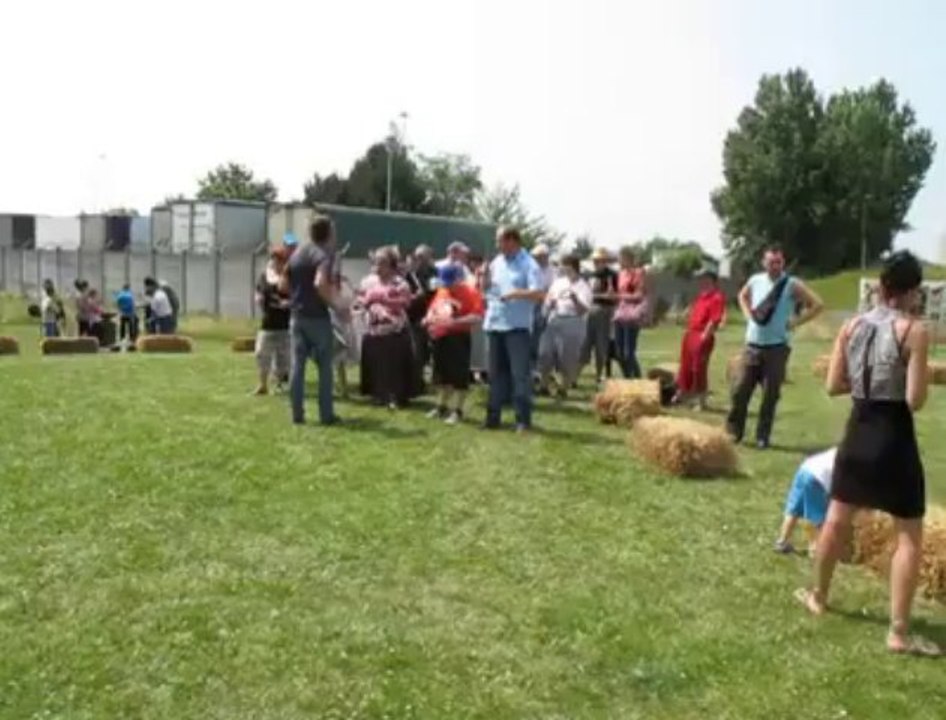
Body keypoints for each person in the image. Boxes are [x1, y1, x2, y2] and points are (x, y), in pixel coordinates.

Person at [798, 250, 941, 657]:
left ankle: (819, 597)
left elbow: (832, 385)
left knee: (837, 520)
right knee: (909, 536)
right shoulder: (913, 330)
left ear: (882, 286)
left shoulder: (851, 326)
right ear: (912, 290)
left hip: (858, 430)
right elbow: (914, 399)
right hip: (893, 435)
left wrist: (866, 385)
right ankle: (897, 632)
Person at [726, 246, 823, 448]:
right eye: (771, 262)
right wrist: (747, 314)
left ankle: (763, 437)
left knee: (770, 395)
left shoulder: (791, 284)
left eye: (778, 262)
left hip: (777, 348)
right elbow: (742, 296)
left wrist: (795, 322)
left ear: (783, 263)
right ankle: (733, 432)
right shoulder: (755, 280)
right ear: (764, 263)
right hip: (752, 345)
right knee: (740, 390)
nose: (775, 266)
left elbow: (817, 304)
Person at [482, 226, 545, 432]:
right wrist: (484, 279)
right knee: (495, 374)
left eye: (499, 240)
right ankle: (493, 418)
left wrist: (516, 293)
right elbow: (488, 290)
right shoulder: (496, 262)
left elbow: (538, 294)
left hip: (517, 327)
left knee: (520, 375)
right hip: (495, 323)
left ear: (512, 241)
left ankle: (523, 420)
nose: (497, 245)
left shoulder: (529, 264)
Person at [285, 215, 344, 426]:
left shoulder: (296, 254)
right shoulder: (322, 255)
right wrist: (337, 306)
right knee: (324, 368)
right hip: (317, 318)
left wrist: (298, 296)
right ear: (327, 233)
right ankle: (326, 415)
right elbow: (320, 283)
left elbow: (284, 284)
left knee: (297, 367)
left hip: (297, 317)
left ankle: (297, 415)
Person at [424, 264, 484, 424]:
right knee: (441, 375)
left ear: (459, 279)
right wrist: (428, 318)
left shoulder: (471, 292)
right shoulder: (442, 291)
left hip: (459, 337)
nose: (447, 285)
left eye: (450, 282)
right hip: (440, 336)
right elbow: (433, 309)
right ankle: (440, 406)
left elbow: (477, 317)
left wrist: (456, 322)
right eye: (445, 282)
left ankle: (458, 410)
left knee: (458, 376)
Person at [358, 246, 417, 409]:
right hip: (373, 330)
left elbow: (406, 302)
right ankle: (378, 394)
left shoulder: (400, 283)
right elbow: (360, 300)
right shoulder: (368, 281)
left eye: (382, 262)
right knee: (377, 364)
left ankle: (396, 396)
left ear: (391, 264)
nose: (378, 266)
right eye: (376, 262)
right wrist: (365, 303)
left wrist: (385, 301)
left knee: (394, 366)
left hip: (394, 330)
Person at [538, 255, 592, 400]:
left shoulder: (583, 286)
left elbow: (583, 310)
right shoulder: (558, 283)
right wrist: (550, 304)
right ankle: (543, 386)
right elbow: (547, 301)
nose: (562, 268)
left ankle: (564, 387)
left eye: (565, 265)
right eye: (562, 266)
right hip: (555, 319)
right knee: (545, 353)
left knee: (567, 357)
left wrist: (575, 299)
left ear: (573, 267)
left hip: (573, 321)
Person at [672, 268, 726, 410]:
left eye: (704, 278)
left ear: (711, 280)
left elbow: (714, 319)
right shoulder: (702, 296)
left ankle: (701, 401)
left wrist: (705, 336)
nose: (701, 281)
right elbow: (694, 312)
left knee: (699, 369)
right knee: (686, 366)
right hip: (691, 333)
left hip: (702, 335)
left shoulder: (716, 297)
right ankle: (683, 394)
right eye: (700, 279)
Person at [774, 447, 837, 554]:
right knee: (816, 515)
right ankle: (815, 547)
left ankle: (782, 542)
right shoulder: (858, 457)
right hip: (818, 478)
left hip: (805, 469)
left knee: (794, 509)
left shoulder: (846, 448)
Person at [252, 246, 291, 396]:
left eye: (280, 260)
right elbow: (259, 291)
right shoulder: (264, 276)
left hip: (285, 324)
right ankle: (263, 385)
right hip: (267, 323)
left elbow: (296, 296)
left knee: (284, 358)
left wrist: (288, 303)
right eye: (274, 259)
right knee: (261, 353)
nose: (276, 263)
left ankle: (280, 384)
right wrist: (258, 298)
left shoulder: (289, 277)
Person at [581, 248, 618, 385]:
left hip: (605, 310)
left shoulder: (612, 275)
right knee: (586, 342)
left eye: (600, 260)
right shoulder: (591, 275)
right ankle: (577, 373)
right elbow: (587, 294)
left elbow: (613, 296)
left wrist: (603, 296)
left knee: (602, 343)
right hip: (590, 309)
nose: (597, 263)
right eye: (595, 261)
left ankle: (600, 373)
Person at [612, 247, 648, 379]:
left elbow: (639, 294)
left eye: (621, 258)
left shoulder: (638, 273)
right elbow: (619, 294)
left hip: (632, 316)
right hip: (620, 315)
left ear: (628, 258)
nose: (619, 261)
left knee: (629, 352)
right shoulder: (620, 274)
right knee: (619, 352)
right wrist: (615, 296)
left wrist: (621, 296)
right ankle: (628, 378)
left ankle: (637, 379)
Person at [406, 245, 438, 385]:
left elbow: (436, 292)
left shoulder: (435, 273)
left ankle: (435, 379)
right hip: (415, 317)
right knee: (417, 350)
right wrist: (415, 296)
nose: (420, 260)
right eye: (418, 257)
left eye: (423, 257)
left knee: (434, 350)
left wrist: (426, 292)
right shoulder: (410, 275)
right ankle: (417, 381)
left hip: (432, 315)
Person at [530, 244, 557, 364]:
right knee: (532, 336)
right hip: (532, 305)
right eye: (536, 257)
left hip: (546, 307)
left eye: (541, 256)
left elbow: (553, 289)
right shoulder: (532, 270)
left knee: (542, 336)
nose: (539, 259)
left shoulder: (553, 271)